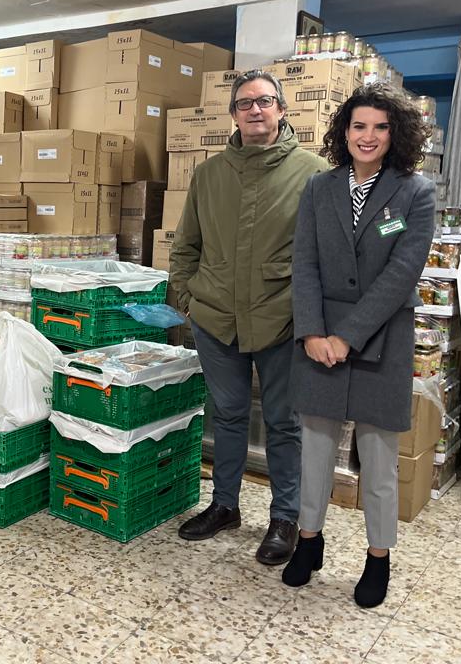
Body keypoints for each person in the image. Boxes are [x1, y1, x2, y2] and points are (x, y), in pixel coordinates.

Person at [281, 83, 435, 607]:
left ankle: (378, 558)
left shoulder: (415, 192)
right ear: (343, 132)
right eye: (358, 126)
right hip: (319, 339)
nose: (368, 136)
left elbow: (401, 275)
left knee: (378, 460)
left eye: (380, 127)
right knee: (315, 454)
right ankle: (309, 542)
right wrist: (313, 333)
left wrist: (348, 336)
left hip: (381, 341)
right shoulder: (319, 189)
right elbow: (304, 263)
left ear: (396, 136)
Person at [170, 69, 328, 565]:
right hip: (216, 317)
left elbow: (329, 254)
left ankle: (284, 517)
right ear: (234, 115)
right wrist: (187, 299)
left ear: (282, 110)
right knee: (229, 415)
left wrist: (314, 319)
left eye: (264, 101)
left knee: (283, 422)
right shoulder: (209, 174)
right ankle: (224, 505)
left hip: (283, 320)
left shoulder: (314, 174)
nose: (255, 109)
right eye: (244, 103)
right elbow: (185, 245)